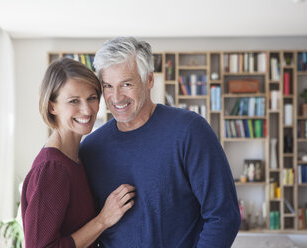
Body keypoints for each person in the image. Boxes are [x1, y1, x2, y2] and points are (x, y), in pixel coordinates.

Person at [79, 37, 241, 247]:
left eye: (126, 84)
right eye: (108, 86)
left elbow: (223, 215)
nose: (116, 98)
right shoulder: (91, 148)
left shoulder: (190, 131)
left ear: (149, 80)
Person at [21, 58, 135, 248]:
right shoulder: (52, 168)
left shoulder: (77, 158)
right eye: (74, 101)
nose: (87, 110)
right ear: (52, 106)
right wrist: (103, 220)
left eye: (91, 98)